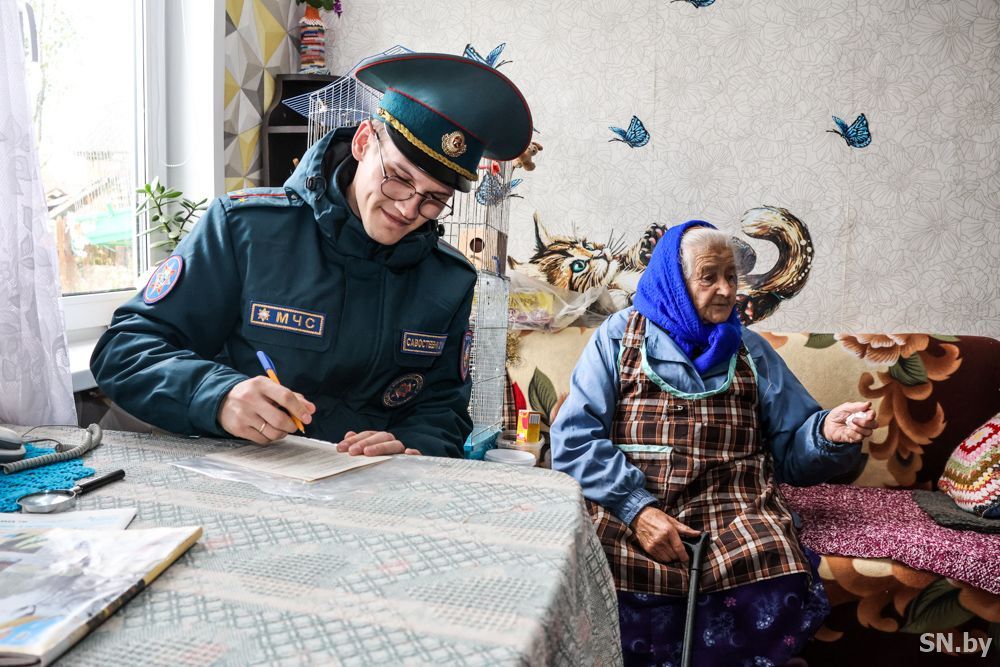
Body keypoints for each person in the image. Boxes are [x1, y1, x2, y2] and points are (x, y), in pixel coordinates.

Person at [90, 53, 532, 458]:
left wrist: (412, 446)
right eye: (398, 179)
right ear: (363, 142)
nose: (408, 210)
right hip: (241, 474)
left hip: (368, 492)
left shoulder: (448, 279)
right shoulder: (246, 229)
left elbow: (443, 408)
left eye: (433, 199)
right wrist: (217, 395)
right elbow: (124, 351)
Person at [551, 220, 878, 666]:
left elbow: (792, 454)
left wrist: (825, 435)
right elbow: (575, 438)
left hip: (732, 504)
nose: (726, 290)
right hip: (630, 502)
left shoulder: (751, 350)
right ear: (675, 280)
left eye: (731, 276)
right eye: (709, 276)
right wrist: (637, 509)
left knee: (773, 566)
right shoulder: (617, 336)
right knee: (592, 564)